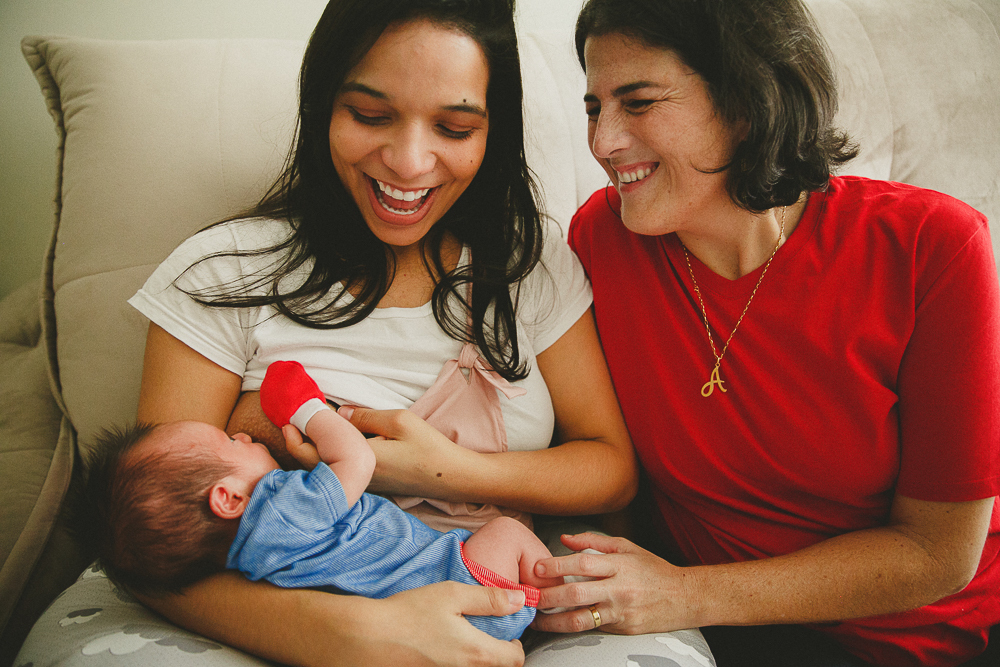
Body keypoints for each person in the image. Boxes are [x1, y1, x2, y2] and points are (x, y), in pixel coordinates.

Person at [126, 0, 638, 664]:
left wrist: (449, 469)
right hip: (282, 615)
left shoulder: (524, 263)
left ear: (492, 133)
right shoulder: (220, 273)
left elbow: (610, 467)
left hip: (486, 591)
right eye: (370, 116)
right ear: (323, 105)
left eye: (454, 127)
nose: (408, 160)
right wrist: (349, 634)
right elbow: (149, 542)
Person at [530, 0, 1000, 666]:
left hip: (912, 637)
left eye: (637, 103)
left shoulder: (932, 247)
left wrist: (685, 594)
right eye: (593, 108)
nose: (602, 142)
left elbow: (938, 551)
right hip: (716, 627)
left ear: (746, 101)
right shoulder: (599, 243)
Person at [83, 361, 563, 642]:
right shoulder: (281, 509)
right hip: (462, 587)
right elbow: (354, 459)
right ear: (227, 498)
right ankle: (555, 603)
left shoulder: (246, 560)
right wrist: (305, 408)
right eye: (229, 445)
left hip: (427, 628)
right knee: (507, 535)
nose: (240, 435)